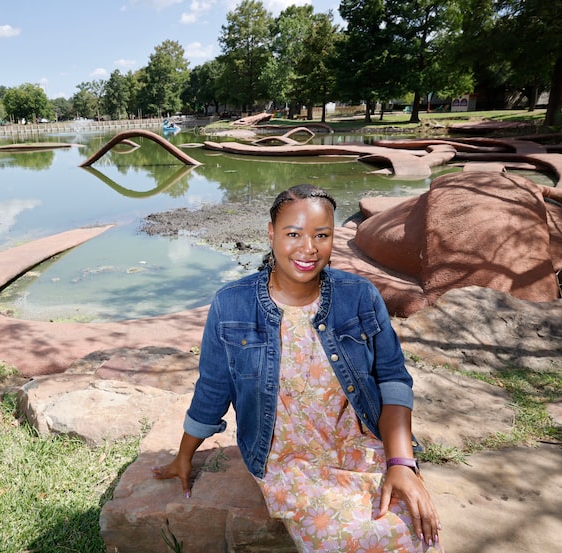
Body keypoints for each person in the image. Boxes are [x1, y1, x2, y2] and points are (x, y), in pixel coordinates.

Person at [152, 184, 442, 552]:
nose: (308, 248)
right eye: (293, 234)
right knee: (343, 539)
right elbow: (213, 388)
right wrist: (184, 455)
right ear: (271, 234)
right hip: (286, 457)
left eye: (322, 235)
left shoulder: (359, 296)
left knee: (414, 532)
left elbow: (392, 379)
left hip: (360, 443)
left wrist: (401, 462)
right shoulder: (232, 306)